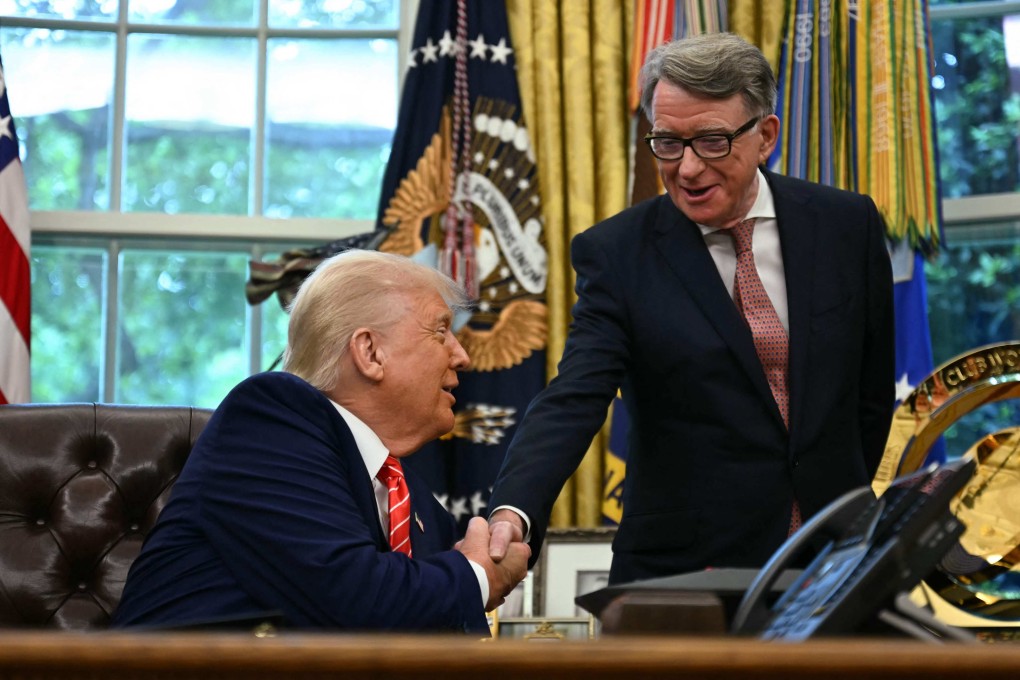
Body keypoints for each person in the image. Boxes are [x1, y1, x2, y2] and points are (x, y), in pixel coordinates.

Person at [487, 32, 895, 586]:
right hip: (686, 571)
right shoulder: (617, 253)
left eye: (711, 142)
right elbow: (575, 396)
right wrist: (514, 510)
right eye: (668, 143)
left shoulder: (845, 225)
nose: (687, 169)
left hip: (834, 558)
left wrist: (836, 494)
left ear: (765, 136)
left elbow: (870, 396)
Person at [113, 250, 530, 632]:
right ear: (370, 352)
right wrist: (479, 574)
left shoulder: (418, 505)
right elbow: (355, 599)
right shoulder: (269, 421)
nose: (462, 357)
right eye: (440, 332)